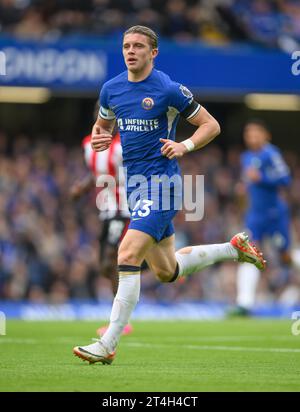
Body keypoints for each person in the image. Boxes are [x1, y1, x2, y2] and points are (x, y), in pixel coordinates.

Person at [73, 25, 265, 365]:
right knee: (166, 271)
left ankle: (108, 343)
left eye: (138, 46)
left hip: (162, 186)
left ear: (153, 53)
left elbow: (211, 124)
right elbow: (102, 127)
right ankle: (231, 248)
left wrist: (184, 145)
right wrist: (100, 136)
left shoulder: (168, 89)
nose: (130, 51)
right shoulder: (111, 89)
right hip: (135, 188)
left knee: (128, 252)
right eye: (126, 46)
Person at [70, 119, 132, 336]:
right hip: (106, 212)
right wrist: (81, 188)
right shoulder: (88, 145)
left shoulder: (121, 146)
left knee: (110, 259)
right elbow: (95, 174)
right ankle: (163, 262)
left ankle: (120, 322)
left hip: (124, 210)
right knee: (105, 266)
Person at [231, 119, 291, 316]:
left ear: (266, 135)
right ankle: (244, 304)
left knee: (286, 257)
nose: (252, 137)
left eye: (256, 133)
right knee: (248, 252)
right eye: (248, 133)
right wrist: (245, 186)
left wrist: (262, 178)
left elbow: (285, 178)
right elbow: (249, 180)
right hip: (255, 215)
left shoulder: (271, 154)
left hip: (274, 215)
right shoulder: (246, 157)